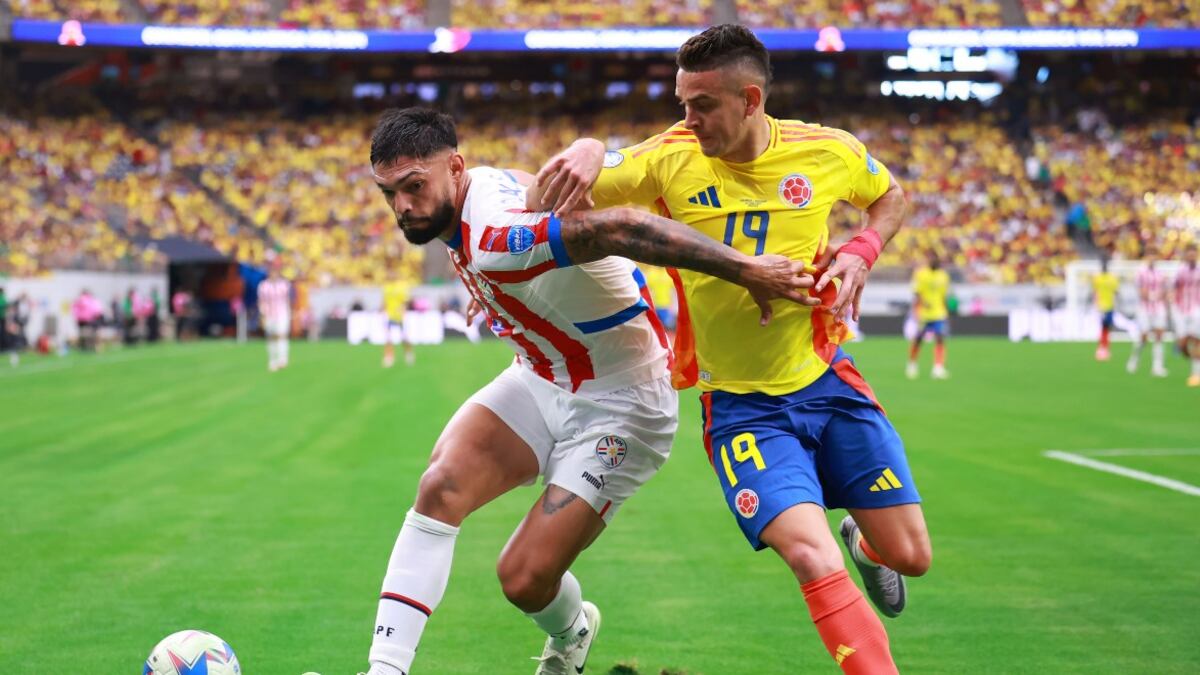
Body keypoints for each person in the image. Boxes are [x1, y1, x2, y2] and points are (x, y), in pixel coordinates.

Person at [528, 25, 929, 674]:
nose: (687, 118)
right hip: (743, 407)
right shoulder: (669, 156)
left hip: (827, 379)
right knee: (809, 553)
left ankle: (872, 545)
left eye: (702, 104)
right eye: (682, 102)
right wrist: (588, 145)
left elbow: (890, 196)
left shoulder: (827, 151)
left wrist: (862, 250)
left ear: (750, 99)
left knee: (912, 554)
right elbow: (546, 199)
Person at [359, 107, 813, 675]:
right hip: (544, 373)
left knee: (523, 580)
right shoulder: (483, 189)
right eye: (390, 193)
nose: (402, 205)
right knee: (440, 486)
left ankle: (573, 628)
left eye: (414, 187)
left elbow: (618, 228)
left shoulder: (497, 237)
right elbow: (533, 201)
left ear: (455, 167)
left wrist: (744, 269)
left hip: (623, 406)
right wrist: (496, 291)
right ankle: (383, 670)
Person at [907, 253, 951, 379]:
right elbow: (916, 292)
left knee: (940, 338)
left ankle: (938, 367)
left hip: (939, 313)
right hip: (924, 313)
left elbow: (944, 295)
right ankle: (912, 364)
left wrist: (946, 310)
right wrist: (921, 304)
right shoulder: (921, 274)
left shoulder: (943, 276)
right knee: (918, 339)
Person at [1128, 257, 1170, 377]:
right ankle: (1135, 357)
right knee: (1144, 336)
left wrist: (1163, 299)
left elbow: (1165, 291)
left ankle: (1157, 366)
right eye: (1150, 255)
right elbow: (1141, 292)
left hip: (1159, 308)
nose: (1152, 258)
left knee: (1159, 335)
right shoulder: (1140, 273)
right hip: (1144, 309)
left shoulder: (1161, 274)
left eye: (1154, 255)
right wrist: (1153, 295)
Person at [257, 261, 292, 372]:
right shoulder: (263, 286)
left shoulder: (284, 285)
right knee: (271, 338)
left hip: (282, 313)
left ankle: (283, 358)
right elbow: (261, 301)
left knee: (281, 335)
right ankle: (272, 360)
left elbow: (287, 300)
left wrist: (290, 313)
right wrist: (262, 314)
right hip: (269, 314)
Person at [1173, 246, 1200, 387]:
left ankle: (1195, 374)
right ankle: (1194, 361)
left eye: (1194, 255)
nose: (1191, 257)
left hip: (1197, 310)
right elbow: (1173, 288)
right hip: (1181, 310)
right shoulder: (1180, 271)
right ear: (1185, 256)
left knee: (1196, 341)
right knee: (1182, 344)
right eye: (1189, 255)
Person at [382, 275, 416, 367]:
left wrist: (403, 309)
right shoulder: (386, 288)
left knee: (404, 337)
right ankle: (389, 357)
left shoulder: (401, 287)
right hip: (389, 315)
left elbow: (406, 301)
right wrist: (382, 311)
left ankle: (408, 354)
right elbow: (384, 301)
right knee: (388, 338)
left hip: (400, 316)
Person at [1090, 258, 1120, 361]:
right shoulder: (1097, 278)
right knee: (1103, 327)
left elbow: (1116, 292)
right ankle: (1102, 349)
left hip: (1110, 306)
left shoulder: (1112, 278)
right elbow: (1094, 292)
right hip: (1100, 307)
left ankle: (1104, 348)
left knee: (1107, 327)